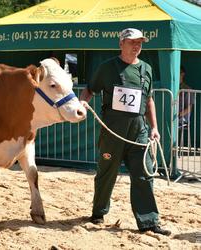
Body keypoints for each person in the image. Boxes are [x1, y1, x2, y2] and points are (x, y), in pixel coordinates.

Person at [80, 28, 171, 236]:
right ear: (121, 43)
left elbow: (148, 100)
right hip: (113, 129)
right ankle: (98, 212)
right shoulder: (107, 68)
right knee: (106, 173)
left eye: (140, 42)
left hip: (139, 131)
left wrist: (154, 127)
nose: (136, 46)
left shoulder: (146, 69)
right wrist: (82, 104)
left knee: (144, 174)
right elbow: (90, 89)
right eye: (132, 42)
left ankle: (149, 221)